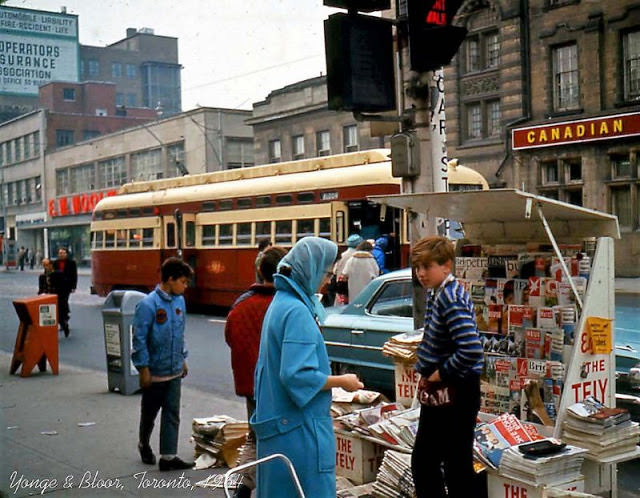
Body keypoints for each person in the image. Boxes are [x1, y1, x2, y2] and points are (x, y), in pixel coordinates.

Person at [251, 237, 364, 498]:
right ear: (310, 269)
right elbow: (296, 375)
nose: (328, 280)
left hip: (280, 428)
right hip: (298, 432)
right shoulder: (297, 311)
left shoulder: (281, 303)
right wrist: (342, 381)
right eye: (326, 273)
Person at [411, 236, 484, 498]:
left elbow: (471, 347)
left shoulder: (449, 297)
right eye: (418, 267)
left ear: (446, 266)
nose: (421, 273)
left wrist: (439, 373)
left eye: (427, 266)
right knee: (452, 462)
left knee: (430, 462)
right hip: (450, 388)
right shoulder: (440, 293)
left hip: (455, 390)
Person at [224, 246, 287, 498]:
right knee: (282, 436)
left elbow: (230, 337)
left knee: (255, 434)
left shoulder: (241, 304)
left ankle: (243, 485)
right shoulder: (286, 304)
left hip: (251, 384)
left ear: (259, 271)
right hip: (280, 384)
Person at [131, 257, 194, 471]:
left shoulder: (179, 302)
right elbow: (139, 339)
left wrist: (182, 359)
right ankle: (144, 443)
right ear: (170, 279)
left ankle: (168, 456)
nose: (185, 287)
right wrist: (143, 369)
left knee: (172, 413)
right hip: (155, 372)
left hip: (174, 370)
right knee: (149, 413)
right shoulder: (147, 305)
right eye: (183, 282)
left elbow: (180, 333)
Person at [331, 233, 362, 305]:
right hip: (354, 288)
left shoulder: (342, 255)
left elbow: (334, 271)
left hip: (341, 288)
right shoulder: (358, 256)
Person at [53, 247, 77, 337]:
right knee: (59, 303)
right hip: (57, 287)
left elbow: (74, 275)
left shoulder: (71, 263)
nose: (61, 254)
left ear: (66, 254)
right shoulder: (55, 263)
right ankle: (64, 318)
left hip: (66, 286)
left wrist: (74, 286)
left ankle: (64, 318)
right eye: (60, 253)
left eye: (63, 253)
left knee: (63, 301)